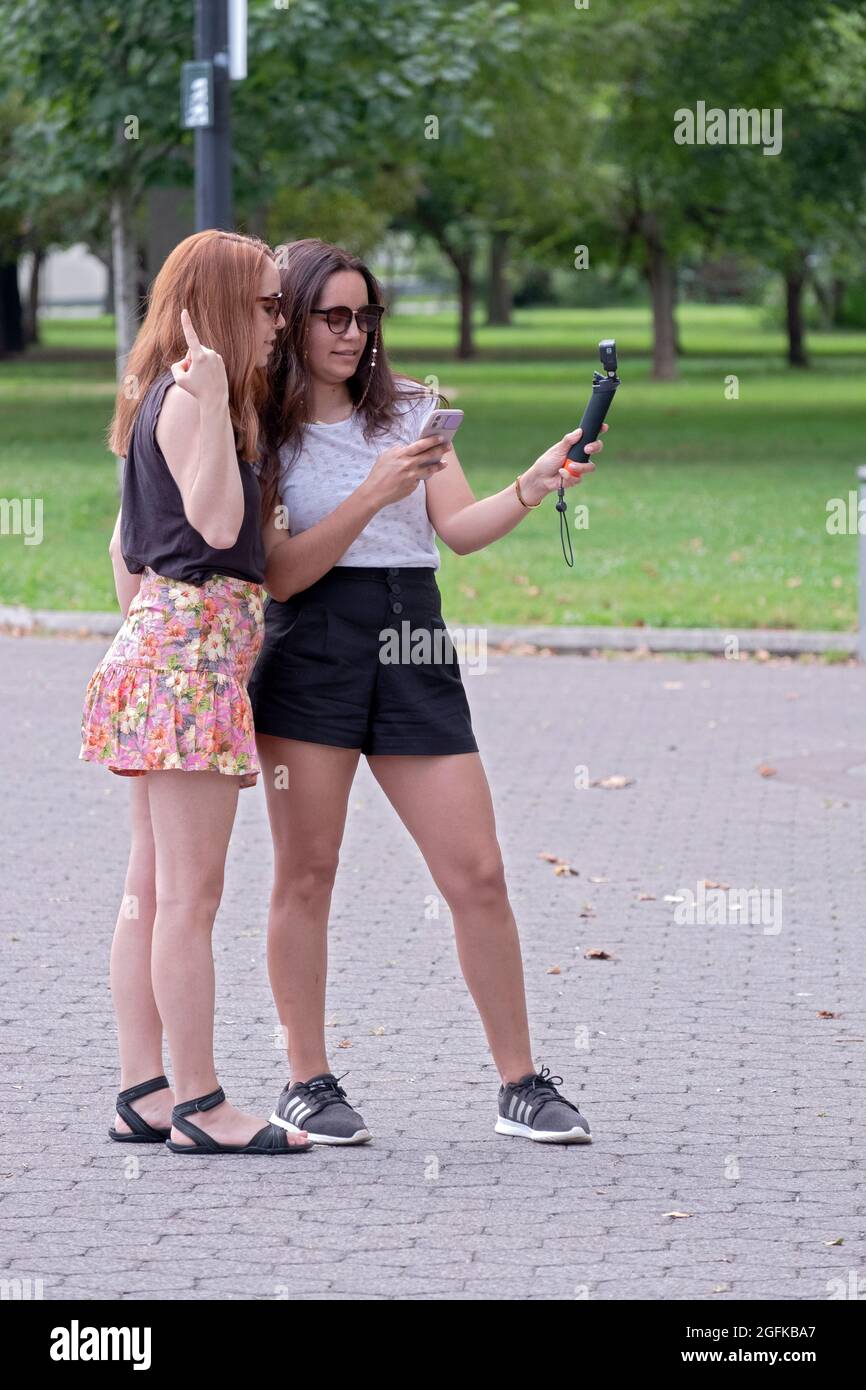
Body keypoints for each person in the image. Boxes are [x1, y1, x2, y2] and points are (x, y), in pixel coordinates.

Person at [248, 238, 605, 1146]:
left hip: (412, 637)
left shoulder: (412, 409)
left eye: (366, 315)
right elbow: (282, 577)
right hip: (313, 643)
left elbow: (459, 530)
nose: (354, 333)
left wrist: (533, 482)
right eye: (333, 315)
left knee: (477, 873)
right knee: (308, 872)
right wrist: (369, 493)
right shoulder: (263, 425)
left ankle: (520, 1082)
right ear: (288, 317)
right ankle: (307, 1078)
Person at [80, 229, 312, 1156]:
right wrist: (215, 402)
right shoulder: (192, 395)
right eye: (264, 304)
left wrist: (157, 625)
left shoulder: (159, 397)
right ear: (217, 307)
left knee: (151, 890)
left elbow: (122, 551)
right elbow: (216, 523)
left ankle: (145, 1087)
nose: (279, 321)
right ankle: (202, 1106)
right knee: (188, 900)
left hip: (163, 657)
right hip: (185, 670)